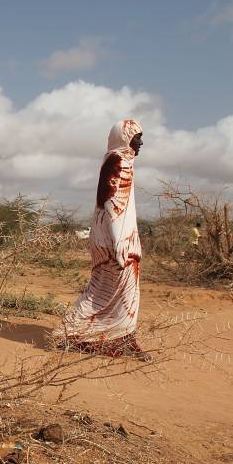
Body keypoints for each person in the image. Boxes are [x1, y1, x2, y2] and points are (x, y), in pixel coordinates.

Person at [57, 119, 149, 360]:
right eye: (136, 137)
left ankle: (95, 335)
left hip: (110, 237)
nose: (140, 142)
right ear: (124, 137)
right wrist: (119, 241)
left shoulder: (116, 160)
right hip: (115, 239)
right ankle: (100, 336)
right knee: (119, 292)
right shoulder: (118, 161)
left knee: (103, 290)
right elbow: (111, 203)